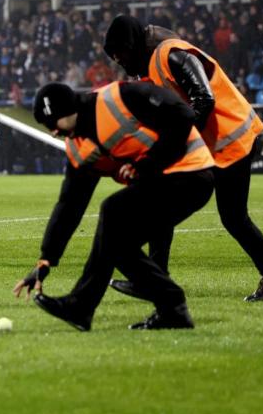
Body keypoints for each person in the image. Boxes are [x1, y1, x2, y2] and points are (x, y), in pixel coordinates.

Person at [102, 14, 263, 301]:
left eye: (121, 55)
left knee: (230, 217)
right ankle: (154, 280)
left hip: (231, 141)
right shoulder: (152, 66)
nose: (120, 63)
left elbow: (204, 100)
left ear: (131, 45)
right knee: (173, 207)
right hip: (216, 144)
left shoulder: (172, 53)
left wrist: (176, 142)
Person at [14, 81, 215, 331]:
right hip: (162, 183)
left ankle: (83, 306)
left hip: (193, 174)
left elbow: (183, 114)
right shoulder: (78, 144)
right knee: (116, 244)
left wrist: (148, 163)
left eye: (52, 124)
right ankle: (169, 309)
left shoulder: (120, 98)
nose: (53, 132)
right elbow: (69, 205)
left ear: (67, 111)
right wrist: (46, 260)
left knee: (113, 211)